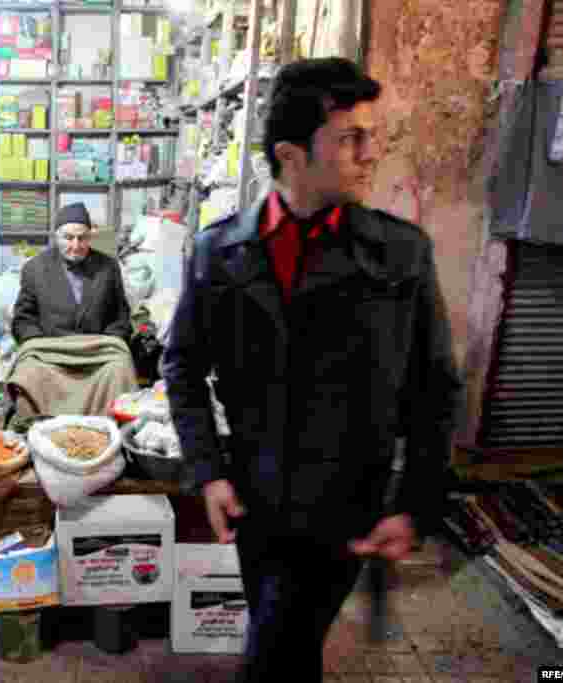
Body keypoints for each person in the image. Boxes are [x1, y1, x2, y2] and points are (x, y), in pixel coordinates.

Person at [162, 58, 463, 682]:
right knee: (286, 638)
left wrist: (414, 502)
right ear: (291, 155)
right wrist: (209, 473)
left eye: (369, 136)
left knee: (278, 645)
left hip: (347, 506)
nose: (369, 152)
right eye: (350, 138)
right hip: (255, 497)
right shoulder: (221, 253)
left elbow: (435, 389)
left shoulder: (399, 254)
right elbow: (183, 363)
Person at [8, 203, 137, 417]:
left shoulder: (108, 267)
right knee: (27, 371)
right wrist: (38, 344)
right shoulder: (35, 268)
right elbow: (23, 318)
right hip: (52, 352)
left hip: (96, 352)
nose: (76, 245)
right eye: (68, 238)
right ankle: (37, 428)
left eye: (82, 238)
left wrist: (109, 342)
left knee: (120, 368)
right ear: (56, 237)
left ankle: (109, 429)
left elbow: (120, 316)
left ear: (89, 237)